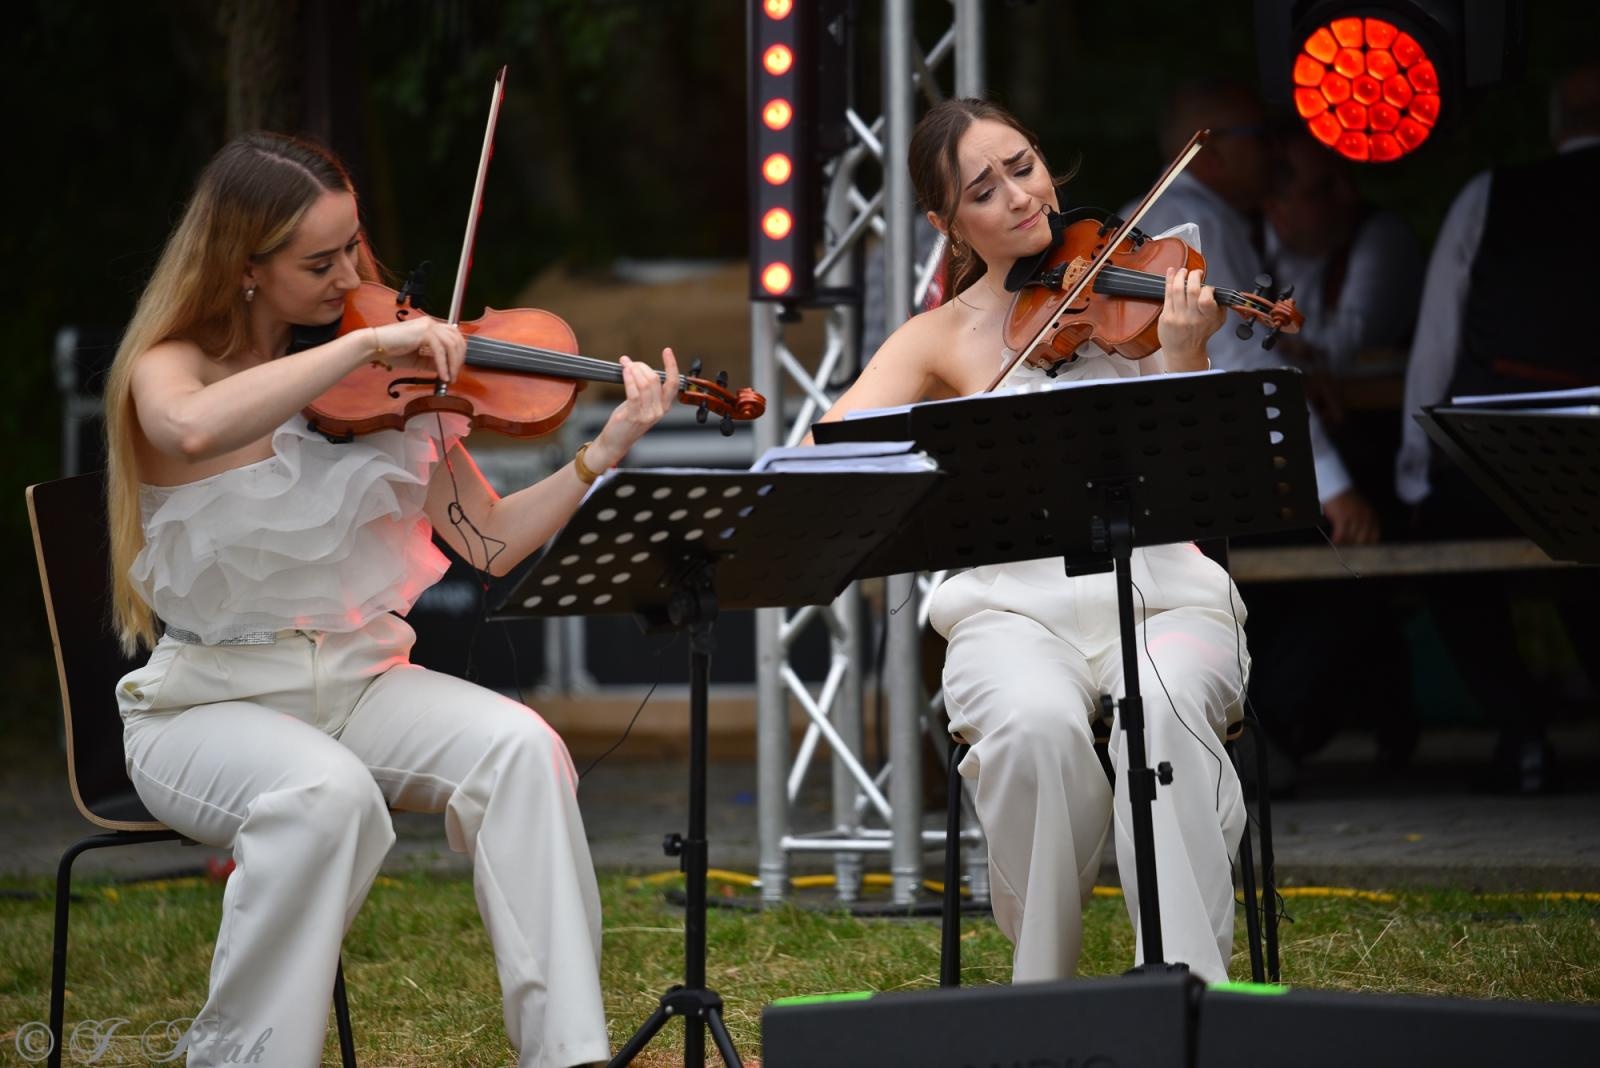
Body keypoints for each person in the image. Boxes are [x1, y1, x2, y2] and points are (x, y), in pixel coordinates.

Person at [104, 132, 679, 1066]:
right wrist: (366, 344)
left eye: (352, 248)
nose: (348, 278)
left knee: (523, 749)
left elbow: (487, 541)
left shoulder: (386, 388)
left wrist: (599, 453)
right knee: (325, 798)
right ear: (243, 268)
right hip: (208, 703)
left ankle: (568, 1054)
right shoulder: (176, 368)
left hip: (365, 681)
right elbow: (192, 428)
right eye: (317, 262)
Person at [811, 97, 1248, 983]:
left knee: (1162, 711)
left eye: (1022, 166)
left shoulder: (1143, 281)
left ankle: (1190, 991)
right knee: (1032, 730)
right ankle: (1044, 988)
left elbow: (1201, 470)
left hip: (1163, 588)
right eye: (983, 189)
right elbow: (832, 444)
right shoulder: (940, 336)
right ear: (949, 226)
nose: (1017, 196)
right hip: (1012, 612)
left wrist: (1183, 352)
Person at [1394, 66, 1600, 793]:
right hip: (1565, 476)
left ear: (1553, 127)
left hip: (1508, 467)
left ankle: (1521, 731)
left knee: (1442, 540)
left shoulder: (1490, 196)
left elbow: (1436, 348)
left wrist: (1417, 473)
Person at [1135, 80, 1381, 546]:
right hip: (1219, 472)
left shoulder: (1178, 214)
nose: (1276, 153)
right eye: (1262, 137)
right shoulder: (1196, 225)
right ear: (1211, 153)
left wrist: (1303, 366)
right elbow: (1244, 365)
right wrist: (1333, 484)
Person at [1262, 130, 1423, 378]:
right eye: (1324, 188)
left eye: (1348, 178)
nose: (1348, 195)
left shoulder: (1381, 238)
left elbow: (1350, 344)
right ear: (1276, 208)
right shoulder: (1249, 244)